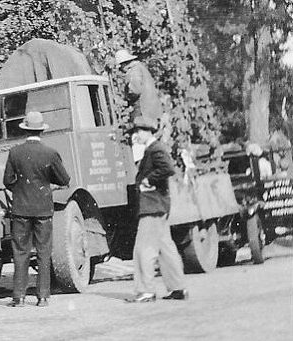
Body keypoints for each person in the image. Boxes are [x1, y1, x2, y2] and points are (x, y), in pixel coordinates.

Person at [3, 111, 70, 307]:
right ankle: (42, 297)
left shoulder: (15, 152)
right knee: (43, 251)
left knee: (20, 252)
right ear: (41, 130)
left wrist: (21, 190)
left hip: (21, 209)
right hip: (43, 209)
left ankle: (19, 297)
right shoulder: (50, 153)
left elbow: (7, 181)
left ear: (25, 130)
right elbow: (65, 179)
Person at [125, 116, 188, 303]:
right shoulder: (153, 149)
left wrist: (148, 180)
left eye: (138, 132)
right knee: (166, 249)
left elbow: (167, 168)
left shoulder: (155, 149)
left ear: (146, 132)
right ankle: (178, 288)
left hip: (151, 206)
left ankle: (146, 290)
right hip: (159, 206)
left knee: (143, 249)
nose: (136, 135)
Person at [115, 49, 163, 123]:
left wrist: (127, 98)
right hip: (150, 107)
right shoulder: (140, 67)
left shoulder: (134, 71)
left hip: (142, 108)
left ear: (123, 64)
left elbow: (136, 90)